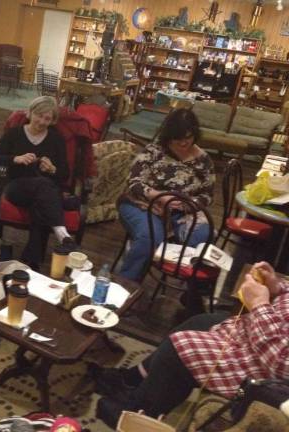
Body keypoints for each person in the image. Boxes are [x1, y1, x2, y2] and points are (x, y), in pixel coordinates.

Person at [94, 261, 289, 429]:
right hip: (263, 333)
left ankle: (141, 413)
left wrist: (259, 304)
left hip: (270, 373)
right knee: (201, 321)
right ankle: (132, 379)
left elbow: (280, 362)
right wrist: (277, 287)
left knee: (180, 347)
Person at [117, 109, 215, 281]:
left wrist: (188, 203)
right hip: (143, 204)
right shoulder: (154, 151)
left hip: (183, 211)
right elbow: (134, 183)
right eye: (178, 139)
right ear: (169, 136)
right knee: (150, 236)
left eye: (189, 137)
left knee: (203, 238)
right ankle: (125, 284)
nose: (184, 143)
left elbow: (207, 194)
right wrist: (159, 196)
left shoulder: (203, 159)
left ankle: (193, 291)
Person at [0, 96, 76, 269]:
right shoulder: (14, 133)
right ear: (30, 113)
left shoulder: (55, 138)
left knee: (42, 197)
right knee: (46, 188)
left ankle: (32, 259)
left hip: (45, 191)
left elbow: (64, 174)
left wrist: (52, 169)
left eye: (47, 118)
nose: (42, 121)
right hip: (16, 187)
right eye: (39, 115)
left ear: (52, 121)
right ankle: (61, 232)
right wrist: (16, 159)